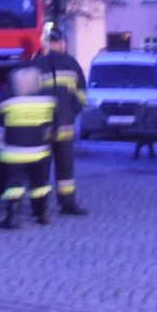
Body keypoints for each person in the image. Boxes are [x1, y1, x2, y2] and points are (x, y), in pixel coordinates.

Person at [0, 64, 56, 228]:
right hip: (40, 150)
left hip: (15, 150)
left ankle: (13, 216)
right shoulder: (47, 98)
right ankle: (42, 214)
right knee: (40, 183)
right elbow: (53, 119)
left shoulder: (8, 98)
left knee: (14, 184)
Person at [34, 26, 88, 215]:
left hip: (60, 124)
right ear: (50, 43)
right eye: (57, 41)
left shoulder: (69, 64)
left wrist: (75, 109)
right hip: (48, 125)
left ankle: (65, 204)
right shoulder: (41, 64)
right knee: (44, 167)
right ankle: (43, 206)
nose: (60, 44)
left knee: (64, 168)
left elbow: (81, 90)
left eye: (61, 41)